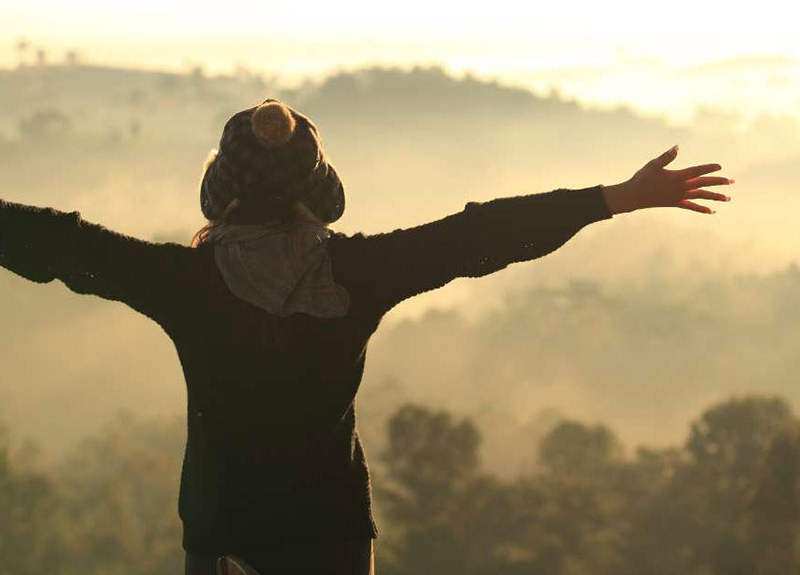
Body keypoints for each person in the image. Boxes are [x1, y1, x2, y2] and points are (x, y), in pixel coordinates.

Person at [0, 98, 733, 575]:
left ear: (221, 191)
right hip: (332, 534)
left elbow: (63, 244)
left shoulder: (186, 283)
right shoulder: (358, 272)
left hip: (223, 532)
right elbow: (478, 234)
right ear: (313, 190)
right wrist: (615, 199)